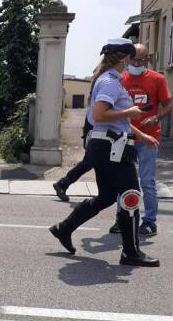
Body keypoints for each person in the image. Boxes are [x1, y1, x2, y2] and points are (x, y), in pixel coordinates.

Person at [49, 38, 160, 267]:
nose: (134, 63)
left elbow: (115, 120)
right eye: (132, 58)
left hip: (108, 146)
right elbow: (100, 116)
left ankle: (64, 228)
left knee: (108, 197)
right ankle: (131, 253)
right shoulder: (110, 82)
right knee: (130, 196)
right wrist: (130, 110)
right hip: (111, 148)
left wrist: (141, 135)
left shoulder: (109, 80)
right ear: (125, 58)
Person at [105, 43, 171, 237]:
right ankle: (121, 218)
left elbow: (168, 105)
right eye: (133, 59)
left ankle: (150, 222)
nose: (135, 63)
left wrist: (156, 117)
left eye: (140, 60)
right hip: (125, 136)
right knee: (122, 180)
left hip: (149, 138)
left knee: (147, 182)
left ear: (147, 59)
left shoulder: (157, 79)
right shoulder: (121, 78)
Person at [52, 111, 93, 202]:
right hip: (96, 132)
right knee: (89, 162)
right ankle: (62, 184)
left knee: (93, 163)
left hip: (95, 131)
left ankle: (63, 183)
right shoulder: (100, 97)